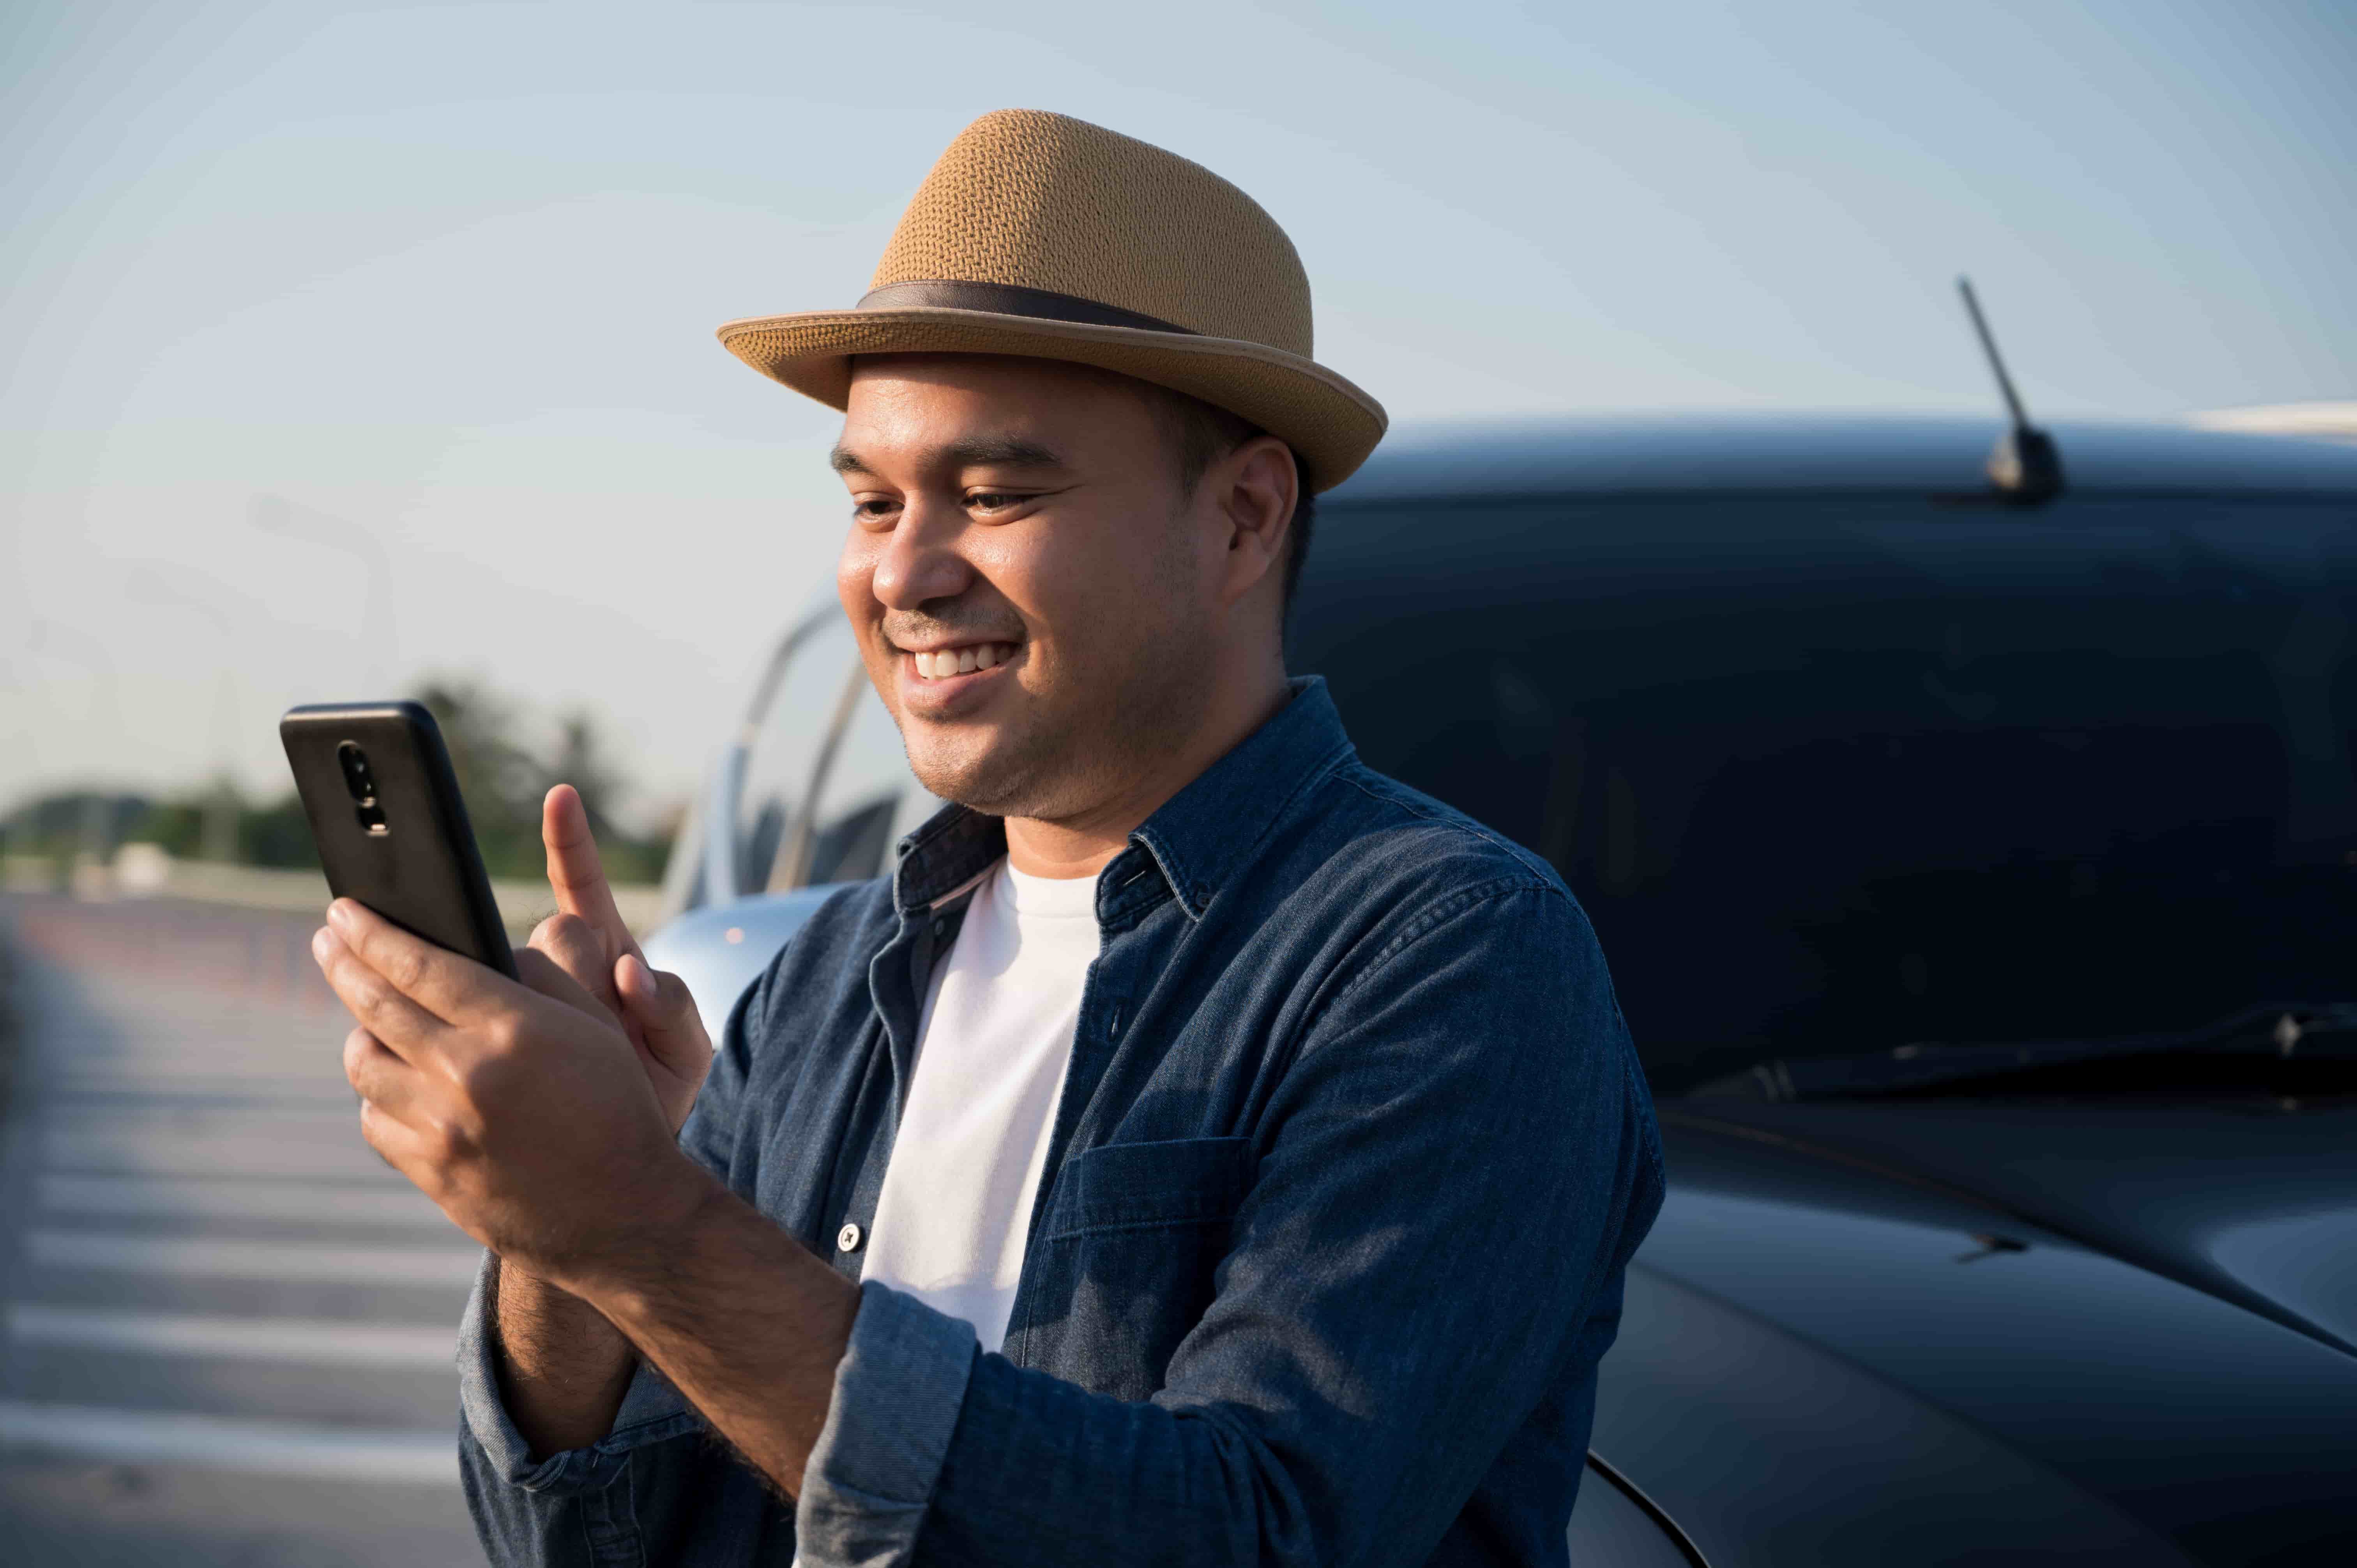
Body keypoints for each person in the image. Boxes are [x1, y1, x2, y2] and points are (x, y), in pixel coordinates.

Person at [312, 108, 1663, 1568]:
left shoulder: (1447, 955)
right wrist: (568, 1240)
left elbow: (1262, 1539)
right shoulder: (831, 976)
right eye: (873, 499)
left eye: (996, 494)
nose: (901, 570)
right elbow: (587, 1546)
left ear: (1245, 516)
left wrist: (645, 1225)